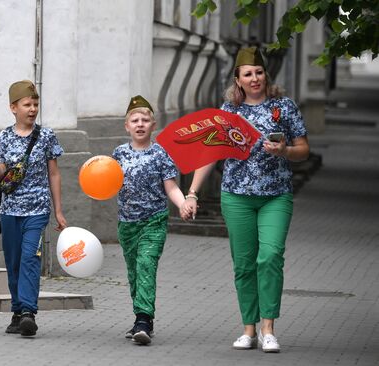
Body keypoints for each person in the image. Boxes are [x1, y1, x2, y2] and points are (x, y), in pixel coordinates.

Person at [182, 46, 309, 353]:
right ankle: (249, 329)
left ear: (267, 75)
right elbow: (209, 154)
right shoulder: (228, 112)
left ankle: (268, 328)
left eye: (259, 72)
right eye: (248, 74)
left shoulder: (284, 107)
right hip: (236, 196)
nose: (255, 79)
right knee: (243, 264)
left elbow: (303, 149)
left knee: (270, 257)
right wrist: (192, 192)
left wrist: (285, 152)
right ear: (237, 79)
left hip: (275, 195)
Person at [0, 80, 67, 337]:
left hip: (37, 210)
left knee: (30, 258)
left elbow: (54, 174)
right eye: (27, 104)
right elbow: (1, 176)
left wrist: (59, 210)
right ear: (13, 108)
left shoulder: (47, 136)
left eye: (35, 104)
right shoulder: (4, 137)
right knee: (14, 261)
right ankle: (17, 311)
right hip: (10, 210)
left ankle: (29, 311)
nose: (32, 109)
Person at [113, 95, 190, 346]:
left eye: (145, 120)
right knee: (134, 272)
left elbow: (171, 187)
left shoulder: (161, 154)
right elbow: (107, 182)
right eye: (134, 120)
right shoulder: (118, 154)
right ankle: (141, 317)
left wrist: (183, 204)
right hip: (127, 223)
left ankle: (143, 320)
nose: (140, 124)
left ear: (153, 125)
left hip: (153, 221)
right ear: (127, 126)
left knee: (146, 264)